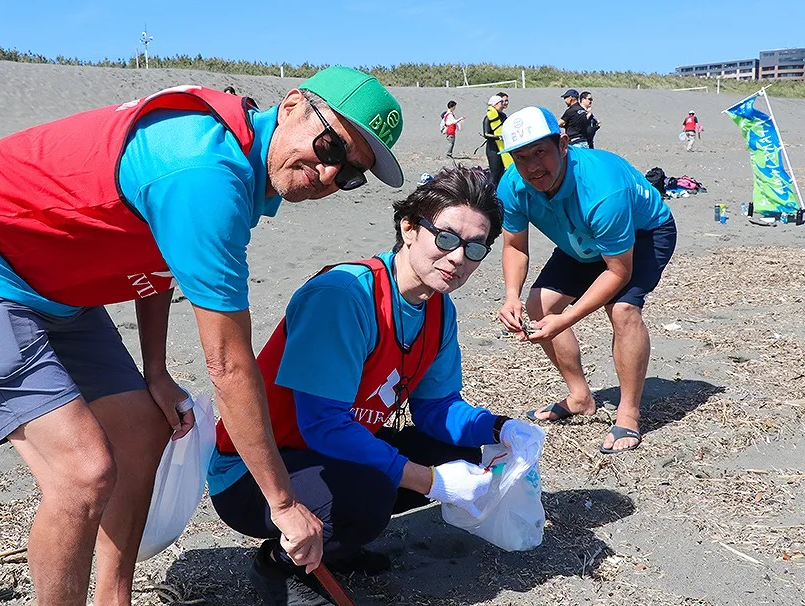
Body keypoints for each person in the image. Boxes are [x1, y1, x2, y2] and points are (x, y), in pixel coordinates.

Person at [0, 66, 405, 606]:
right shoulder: (206, 174)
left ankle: (114, 598)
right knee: (84, 473)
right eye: (329, 144)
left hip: (53, 279)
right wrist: (283, 501)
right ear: (293, 105)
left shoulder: (236, 159)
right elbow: (227, 365)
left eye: (349, 174)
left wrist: (155, 371)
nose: (327, 171)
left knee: (144, 429)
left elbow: (159, 252)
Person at [209, 167, 532, 605]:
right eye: (447, 238)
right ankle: (281, 566)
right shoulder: (346, 296)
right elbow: (322, 425)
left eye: (476, 247)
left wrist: (501, 430)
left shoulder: (439, 312)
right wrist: (430, 481)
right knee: (371, 491)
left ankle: (337, 544)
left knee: (468, 454)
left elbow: (436, 409)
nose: (458, 258)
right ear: (410, 227)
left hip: (328, 449)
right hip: (255, 471)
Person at [495, 106, 676, 455]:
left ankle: (629, 414)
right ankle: (580, 397)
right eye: (521, 157)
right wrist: (511, 296)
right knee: (537, 305)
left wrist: (566, 318)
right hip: (581, 237)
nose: (532, 167)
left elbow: (618, 271)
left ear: (562, 144)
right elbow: (514, 246)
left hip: (643, 233)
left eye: (540, 152)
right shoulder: (512, 185)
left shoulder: (602, 189)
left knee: (622, 309)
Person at [482, 92, 512, 185]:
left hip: (503, 147)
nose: (503, 105)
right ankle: (490, 193)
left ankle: (500, 193)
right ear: (495, 104)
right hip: (493, 149)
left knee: (502, 172)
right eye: (501, 103)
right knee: (495, 173)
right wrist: (499, 137)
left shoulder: (503, 116)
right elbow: (486, 134)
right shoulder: (488, 118)